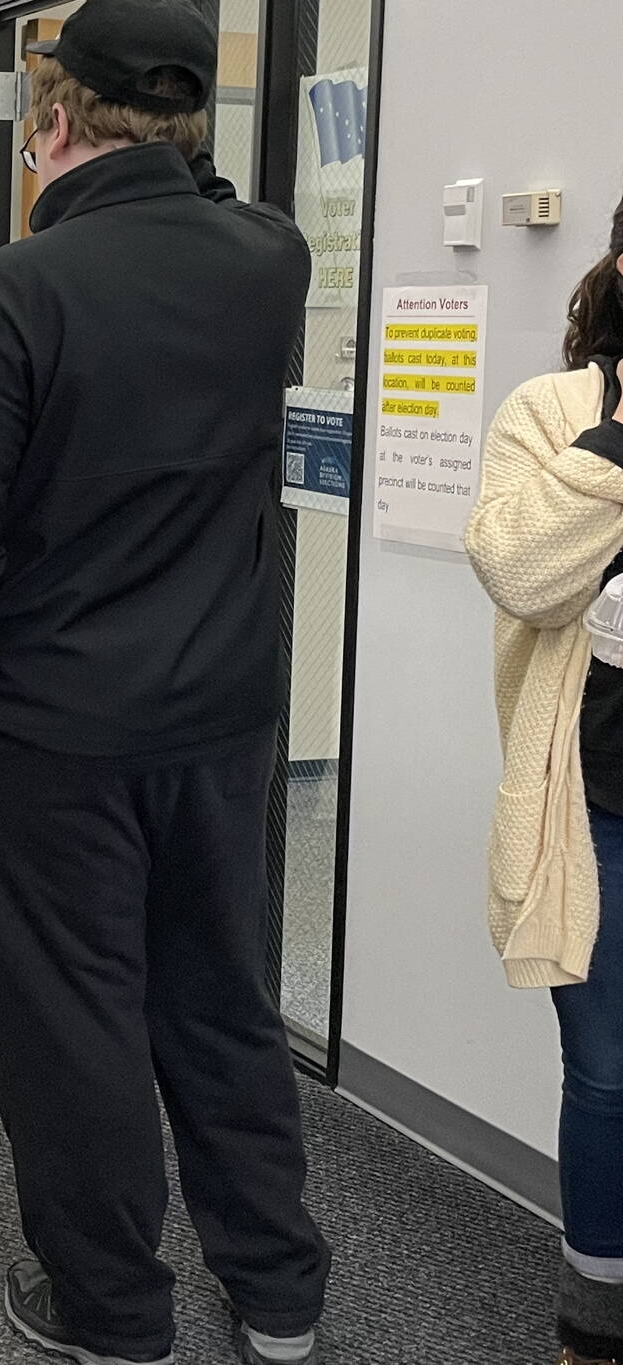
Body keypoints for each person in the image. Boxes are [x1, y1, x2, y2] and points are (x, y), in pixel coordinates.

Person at [0, 4, 330, 1362]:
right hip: (219, 714)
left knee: (72, 1018)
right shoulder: (272, 260)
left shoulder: (12, 295)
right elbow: (206, 208)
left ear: (53, 122)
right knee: (219, 996)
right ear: (192, 116)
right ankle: (280, 1293)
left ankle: (116, 1312)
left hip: (41, 731)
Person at [466, 191, 623, 1365]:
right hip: (600, 798)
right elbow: (519, 569)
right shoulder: (553, 412)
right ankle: (594, 1317)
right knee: (609, 1071)